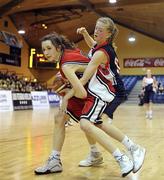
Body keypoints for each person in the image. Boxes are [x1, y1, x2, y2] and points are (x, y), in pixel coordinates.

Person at [35, 17, 146, 177]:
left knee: (93, 123)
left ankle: (126, 154)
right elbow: (90, 50)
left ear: (58, 47)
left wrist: (66, 94)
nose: (45, 53)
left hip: (103, 90)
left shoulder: (78, 60)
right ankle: (87, 155)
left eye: (48, 49)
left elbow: (82, 87)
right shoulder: (77, 52)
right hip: (95, 88)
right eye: (43, 50)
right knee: (68, 118)